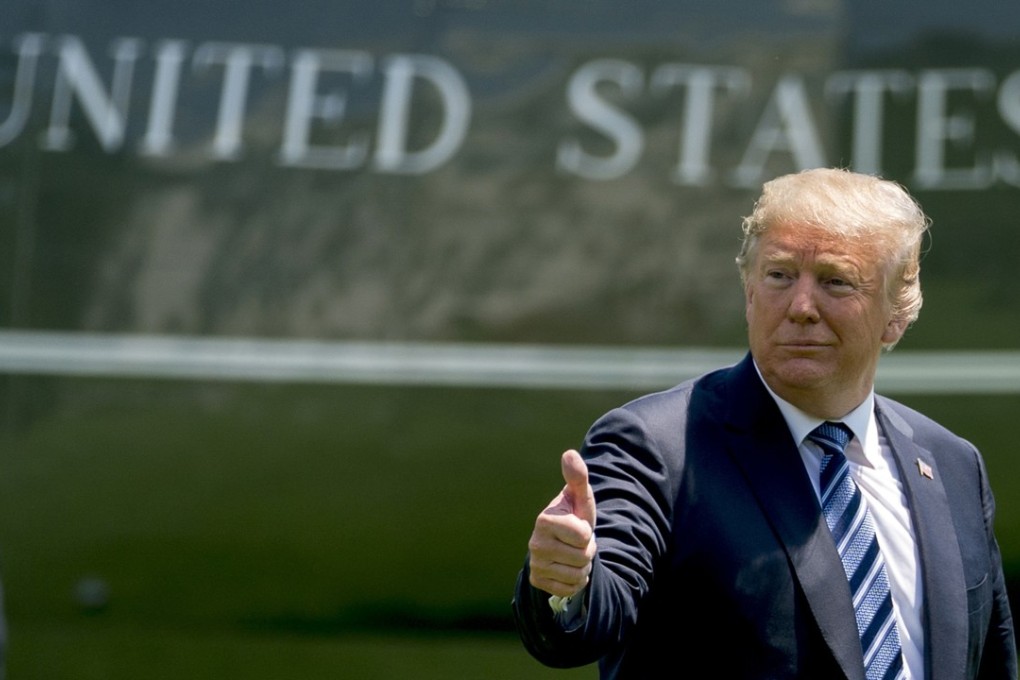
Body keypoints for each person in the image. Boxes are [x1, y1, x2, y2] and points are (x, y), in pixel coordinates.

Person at [512, 168, 1017, 679]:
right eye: (778, 275)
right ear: (749, 291)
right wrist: (568, 583)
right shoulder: (658, 446)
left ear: (897, 312)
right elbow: (594, 614)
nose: (800, 307)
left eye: (835, 281)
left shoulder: (953, 465)